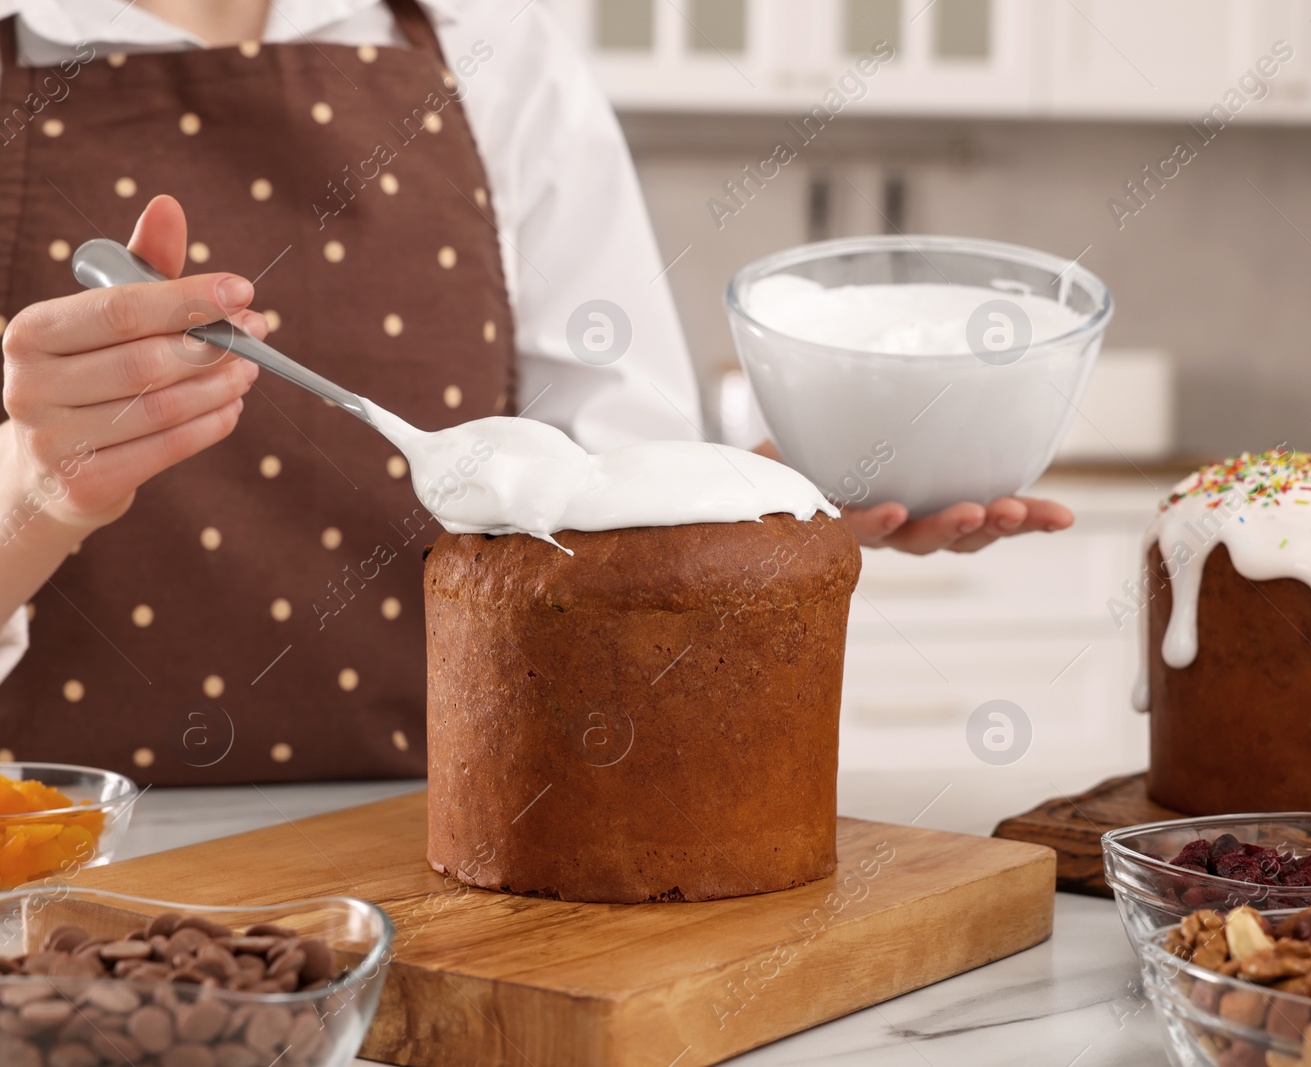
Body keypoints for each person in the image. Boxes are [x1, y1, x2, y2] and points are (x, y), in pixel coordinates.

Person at [0, 0, 1072, 785]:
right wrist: (37, 494)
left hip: (471, 829)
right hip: (58, 867)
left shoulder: (496, 54)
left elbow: (606, 478)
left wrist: (747, 500)